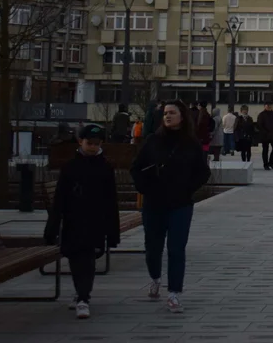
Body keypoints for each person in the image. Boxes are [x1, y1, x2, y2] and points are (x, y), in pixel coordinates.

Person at [130, 101, 210, 313]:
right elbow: (136, 168)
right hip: (154, 203)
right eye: (165, 113)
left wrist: (187, 189)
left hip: (180, 204)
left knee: (176, 249)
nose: (167, 116)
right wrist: (144, 187)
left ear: (182, 117)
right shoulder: (153, 141)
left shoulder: (191, 144)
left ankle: (174, 293)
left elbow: (203, 172)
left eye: (172, 113)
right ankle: (155, 278)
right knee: (153, 249)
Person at [43, 123, 120, 319]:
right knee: (77, 259)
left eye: (96, 143)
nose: (93, 147)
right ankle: (81, 293)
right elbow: (60, 199)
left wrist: (113, 232)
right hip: (73, 222)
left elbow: (111, 200)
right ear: (80, 142)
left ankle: (83, 298)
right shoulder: (70, 168)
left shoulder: (105, 168)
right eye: (89, 143)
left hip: (95, 223)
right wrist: (52, 228)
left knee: (87, 260)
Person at [257, 103, 273, 170]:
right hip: (265, 135)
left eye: (270, 106)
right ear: (265, 106)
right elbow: (259, 125)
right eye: (267, 106)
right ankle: (265, 164)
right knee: (265, 150)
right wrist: (264, 132)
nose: (269, 107)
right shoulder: (262, 114)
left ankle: (271, 162)